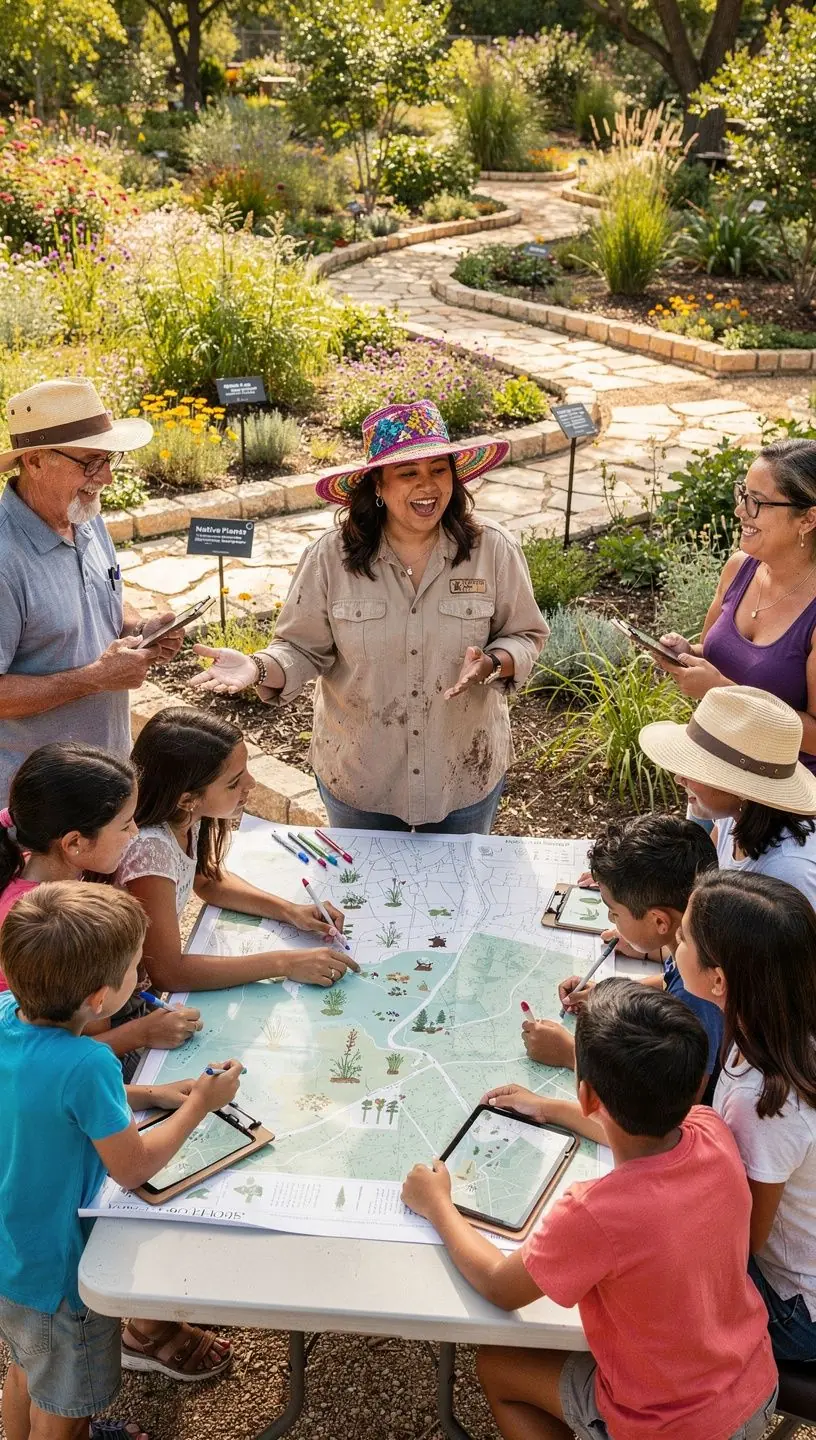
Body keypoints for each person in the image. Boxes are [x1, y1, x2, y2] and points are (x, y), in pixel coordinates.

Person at [402, 980, 778, 1440]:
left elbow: (500, 1287)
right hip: (756, 1386)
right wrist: (550, 1109)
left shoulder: (595, 1213)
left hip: (672, 1427)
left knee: (498, 1366)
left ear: (588, 1096)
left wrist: (438, 1204)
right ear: (695, 1083)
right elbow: (646, 1134)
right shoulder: (712, 1128)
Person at [188, 400, 548, 832]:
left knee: (456, 895)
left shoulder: (492, 549)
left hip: (463, 774)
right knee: (362, 897)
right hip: (361, 779)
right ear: (376, 483)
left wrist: (494, 662)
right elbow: (301, 648)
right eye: (408, 473)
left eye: (439, 469)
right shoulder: (329, 558)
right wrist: (259, 666)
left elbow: (525, 634)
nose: (428, 485)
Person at [0, 881, 244, 1440]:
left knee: (27, 1366)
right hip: (61, 1269)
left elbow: (47, 1096)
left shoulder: (6, 1014)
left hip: (12, 1252)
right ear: (99, 1000)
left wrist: (148, 1096)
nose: (142, 976)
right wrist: (202, 1105)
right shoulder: (88, 1063)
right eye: (136, 968)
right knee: (66, 1403)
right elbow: (133, 1169)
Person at [0, 378, 188, 804]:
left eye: (108, 459)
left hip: (101, 781)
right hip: (38, 808)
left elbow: (101, 594)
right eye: (89, 462)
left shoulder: (83, 515)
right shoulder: (4, 557)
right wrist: (96, 679)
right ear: (34, 461)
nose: (104, 476)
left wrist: (141, 627)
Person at [675, 869, 816, 1363]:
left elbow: (744, 1240)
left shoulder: (763, 1101)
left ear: (719, 980)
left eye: (682, 937)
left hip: (796, 1312)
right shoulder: (786, 1027)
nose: (674, 942)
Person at [116, 708, 355, 991]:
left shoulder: (186, 818)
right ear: (187, 798)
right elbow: (168, 973)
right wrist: (286, 963)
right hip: (125, 998)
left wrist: (291, 911)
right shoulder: (150, 852)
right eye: (234, 782)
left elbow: (207, 880)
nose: (251, 784)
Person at [0, 742, 201, 1056]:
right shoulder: (54, 922)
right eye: (124, 825)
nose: (135, 833)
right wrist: (144, 1032)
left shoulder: (36, 862)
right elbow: (66, 1050)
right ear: (75, 843)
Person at [522, 816, 723, 1101]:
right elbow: (671, 979)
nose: (611, 919)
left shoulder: (699, 996)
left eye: (615, 912)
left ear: (659, 922)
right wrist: (613, 994)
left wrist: (571, 1053)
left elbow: (677, 1107)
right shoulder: (697, 945)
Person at [658, 437, 816, 771]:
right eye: (742, 494)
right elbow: (719, 656)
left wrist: (723, 692)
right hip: (713, 769)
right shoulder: (739, 568)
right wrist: (688, 652)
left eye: (757, 501)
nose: (739, 510)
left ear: (807, 519)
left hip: (784, 798)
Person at [640, 685, 816, 907]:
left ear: (739, 790)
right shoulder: (732, 817)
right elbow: (698, 878)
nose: (679, 778)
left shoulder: (788, 873)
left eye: (695, 769)